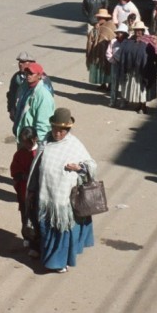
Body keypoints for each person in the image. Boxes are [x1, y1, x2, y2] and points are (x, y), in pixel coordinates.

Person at [25, 108, 97, 273]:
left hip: (61, 201)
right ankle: (46, 255)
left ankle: (59, 262)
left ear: (68, 130)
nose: (57, 133)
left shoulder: (74, 144)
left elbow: (91, 165)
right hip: (45, 196)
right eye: (55, 128)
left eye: (62, 130)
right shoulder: (45, 141)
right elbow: (36, 167)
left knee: (60, 231)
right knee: (45, 228)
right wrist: (32, 189)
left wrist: (79, 167)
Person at [14, 61, 57, 143]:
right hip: (23, 138)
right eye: (27, 73)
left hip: (33, 142)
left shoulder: (43, 96)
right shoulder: (24, 87)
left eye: (31, 73)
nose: (28, 75)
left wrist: (38, 145)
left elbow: (44, 125)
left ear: (39, 76)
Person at [6, 50, 54, 122]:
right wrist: (11, 108)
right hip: (21, 111)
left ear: (32, 63)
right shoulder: (17, 77)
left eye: (23, 62)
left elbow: (48, 97)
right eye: (19, 62)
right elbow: (11, 94)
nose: (20, 64)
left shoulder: (42, 78)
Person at [85, 9, 115, 90]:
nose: (98, 19)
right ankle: (103, 83)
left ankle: (111, 85)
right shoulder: (97, 26)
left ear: (104, 18)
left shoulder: (111, 25)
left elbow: (112, 37)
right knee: (101, 67)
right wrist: (95, 29)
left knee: (108, 67)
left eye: (100, 18)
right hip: (99, 51)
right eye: (98, 18)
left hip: (108, 51)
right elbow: (91, 37)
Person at [106, 23, 129, 107]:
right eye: (118, 32)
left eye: (121, 32)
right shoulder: (113, 41)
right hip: (115, 64)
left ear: (125, 34)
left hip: (124, 65)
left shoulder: (127, 42)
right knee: (114, 83)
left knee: (123, 83)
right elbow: (108, 52)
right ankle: (113, 101)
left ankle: (123, 101)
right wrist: (112, 60)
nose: (119, 34)